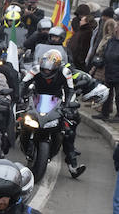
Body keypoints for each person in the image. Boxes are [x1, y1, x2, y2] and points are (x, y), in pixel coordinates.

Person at [24, 48, 109, 177]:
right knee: (22, 119)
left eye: (50, 70)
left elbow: (69, 91)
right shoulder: (35, 70)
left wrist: (68, 106)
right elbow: (23, 84)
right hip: (37, 101)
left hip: (56, 103)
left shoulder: (65, 72)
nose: (47, 72)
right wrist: (20, 98)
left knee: (68, 131)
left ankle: (72, 165)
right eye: (45, 69)